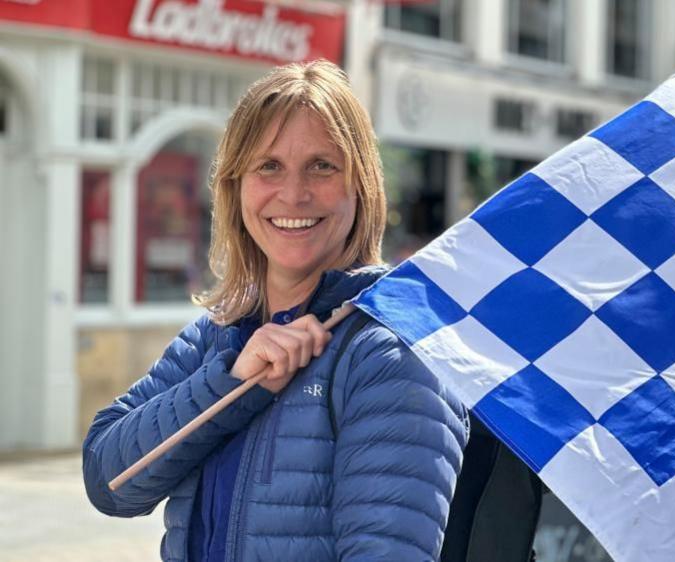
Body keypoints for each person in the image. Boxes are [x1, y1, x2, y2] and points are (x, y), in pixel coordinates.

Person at [82, 60, 468, 561]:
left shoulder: (390, 355)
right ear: (236, 185)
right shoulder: (214, 338)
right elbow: (109, 481)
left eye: (322, 166)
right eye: (269, 166)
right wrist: (231, 382)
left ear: (362, 186)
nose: (293, 194)